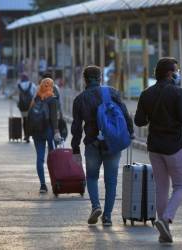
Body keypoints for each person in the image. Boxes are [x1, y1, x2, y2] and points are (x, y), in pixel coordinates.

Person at [134, 57, 182, 243]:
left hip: (154, 147)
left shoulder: (146, 94)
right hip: (174, 147)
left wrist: (152, 115)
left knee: (161, 187)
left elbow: (139, 121)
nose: (178, 74)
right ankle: (166, 218)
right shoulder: (178, 93)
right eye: (176, 71)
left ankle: (164, 231)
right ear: (170, 73)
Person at [71, 65, 133, 226]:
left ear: (84, 79)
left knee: (91, 177)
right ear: (100, 78)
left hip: (92, 143)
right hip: (112, 143)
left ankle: (95, 206)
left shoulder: (80, 99)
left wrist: (75, 148)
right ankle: (107, 217)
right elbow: (125, 114)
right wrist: (130, 133)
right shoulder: (111, 92)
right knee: (111, 181)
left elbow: (76, 127)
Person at [29, 78, 62, 193]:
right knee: (53, 158)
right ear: (51, 86)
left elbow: (30, 116)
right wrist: (57, 131)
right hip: (49, 132)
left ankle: (43, 185)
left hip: (37, 132)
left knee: (40, 158)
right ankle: (55, 182)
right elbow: (54, 118)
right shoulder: (52, 99)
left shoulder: (36, 97)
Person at [17, 73, 37, 143]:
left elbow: (16, 95)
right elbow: (35, 94)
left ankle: (26, 135)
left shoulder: (19, 85)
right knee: (31, 120)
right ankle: (31, 134)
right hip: (30, 106)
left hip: (22, 106)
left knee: (25, 120)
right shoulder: (32, 85)